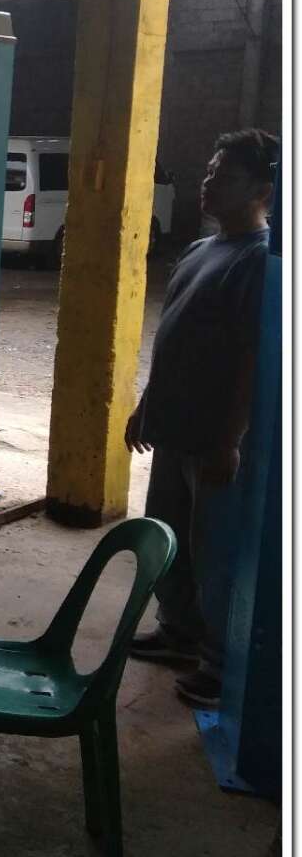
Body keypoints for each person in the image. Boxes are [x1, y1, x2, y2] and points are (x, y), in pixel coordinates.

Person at [126, 128, 278, 710]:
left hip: (213, 437)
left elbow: (250, 357)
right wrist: (146, 405)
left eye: (225, 176)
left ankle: (220, 665)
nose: (209, 183)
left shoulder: (260, 261)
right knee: (170, 538)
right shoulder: (199, 249)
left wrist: (230, 440)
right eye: (211, 171)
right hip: (174, 428)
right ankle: (178, 632)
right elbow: (174, 339)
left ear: (263, 191)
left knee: (217, 553)